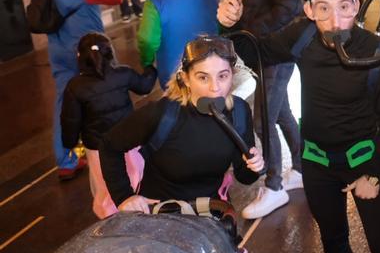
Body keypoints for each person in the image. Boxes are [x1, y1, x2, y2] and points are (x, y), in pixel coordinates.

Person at [218, 0, 380, 253]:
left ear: (356, 4)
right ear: (309, 9)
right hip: (318, 164)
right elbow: (256, 53)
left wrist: (373, 173)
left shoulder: (378, 52)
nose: (335, 20)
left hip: (365, 160)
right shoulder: (302, 36)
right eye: (323, 8)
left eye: (344, 6)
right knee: (333, 240)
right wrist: (229, 23)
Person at [100, 36, 264, 213]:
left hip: (211, 214)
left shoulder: (239, 111)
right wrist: (124, 197)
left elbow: (244, 177)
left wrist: (254, 166)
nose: (215, 88)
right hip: (160, 216)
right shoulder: (162, 114)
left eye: (223, 76)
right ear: (186, 79)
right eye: (203, 78)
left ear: (232, 75)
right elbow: (109, 145)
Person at [218, 0, 305, 219]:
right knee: (281, 114)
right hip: (264, 53)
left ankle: (274, 185)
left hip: (276, 52)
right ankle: (301, 170)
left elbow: (291, 2)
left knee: (262, 119)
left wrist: (253, 27)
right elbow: (258, 4)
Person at [44, 0, 123, 180]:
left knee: (62, 102)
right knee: (105, 96)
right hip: (88, 51)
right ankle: (114, 152)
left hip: (58, 49)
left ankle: (66, 161)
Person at [61, 33, 156, 218]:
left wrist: (69, 143)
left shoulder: (75, 87)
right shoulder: (123, 74)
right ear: (110, 52)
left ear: (79, 57)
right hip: (129, 140)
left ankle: (112, 221)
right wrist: (150, 68)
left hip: (98, 148)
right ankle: (141, 212)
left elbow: (70, 120)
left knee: (106, 188)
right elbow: (144, 86)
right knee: (136, 178)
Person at [137, 0, 220, 89]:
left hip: (174, 75)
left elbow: (148, 40)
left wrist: (147, 62)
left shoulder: (155, 1)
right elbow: (222, 29)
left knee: (178, 109)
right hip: (210, 68)